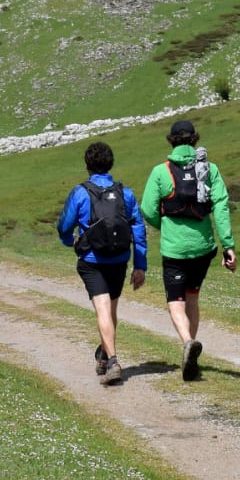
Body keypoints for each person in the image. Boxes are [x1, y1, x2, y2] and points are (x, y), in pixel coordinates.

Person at [139, 118, 236, 380]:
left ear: (171, 142)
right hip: (203, 247)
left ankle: (186, 343)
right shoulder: (210, 170)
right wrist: (228, 244)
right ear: (195, 140)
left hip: (174, 249)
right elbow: (221, 207)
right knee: (192, 296)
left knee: (175, 301)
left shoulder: (161, 171)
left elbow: (147, 209)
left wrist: (165, 225)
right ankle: (190, 346)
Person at [58, 140, 147, 386]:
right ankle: (104, 353)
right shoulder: (125, 193)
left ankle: (113, 361)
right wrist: (140, 266)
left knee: (102, 309)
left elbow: (64, 225)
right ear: (111, 164)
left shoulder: (80, 192)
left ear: (87, 165)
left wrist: (69, 241)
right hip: (119, 259)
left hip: (92, 260)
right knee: (110, 309)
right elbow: (138, 229)